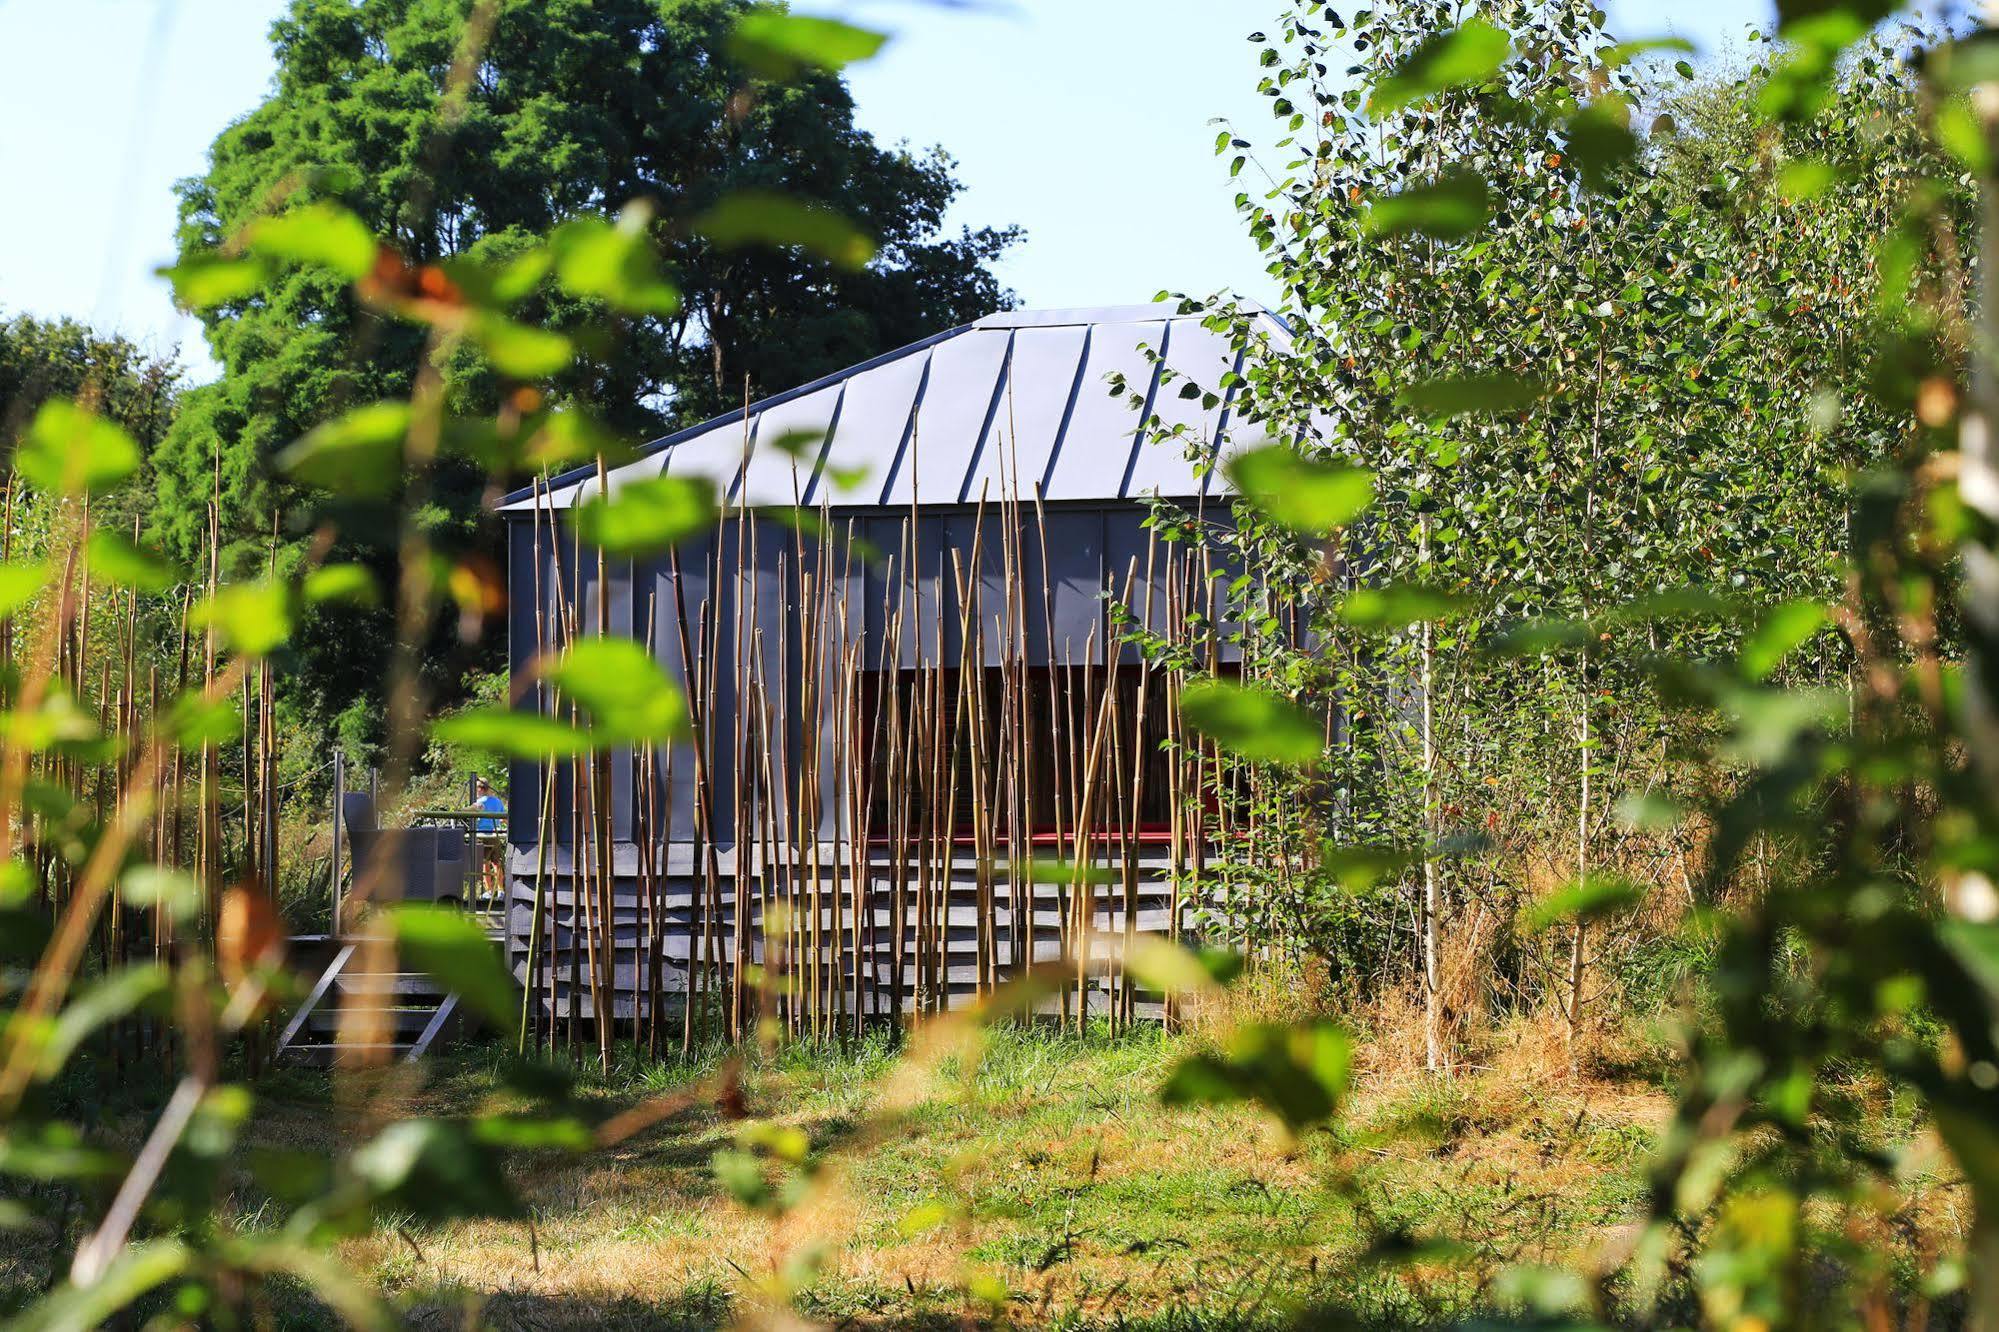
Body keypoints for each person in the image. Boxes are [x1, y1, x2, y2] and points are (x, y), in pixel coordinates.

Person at [473, 778, 506, 902]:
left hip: (482, 835)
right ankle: (501, 890)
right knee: (497, 863)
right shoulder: (497, 801)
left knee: (484, 864)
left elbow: (467, 812)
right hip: (495, 834)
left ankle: (489, 891)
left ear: (480, 789)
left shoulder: (479, 802)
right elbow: (504, 818)